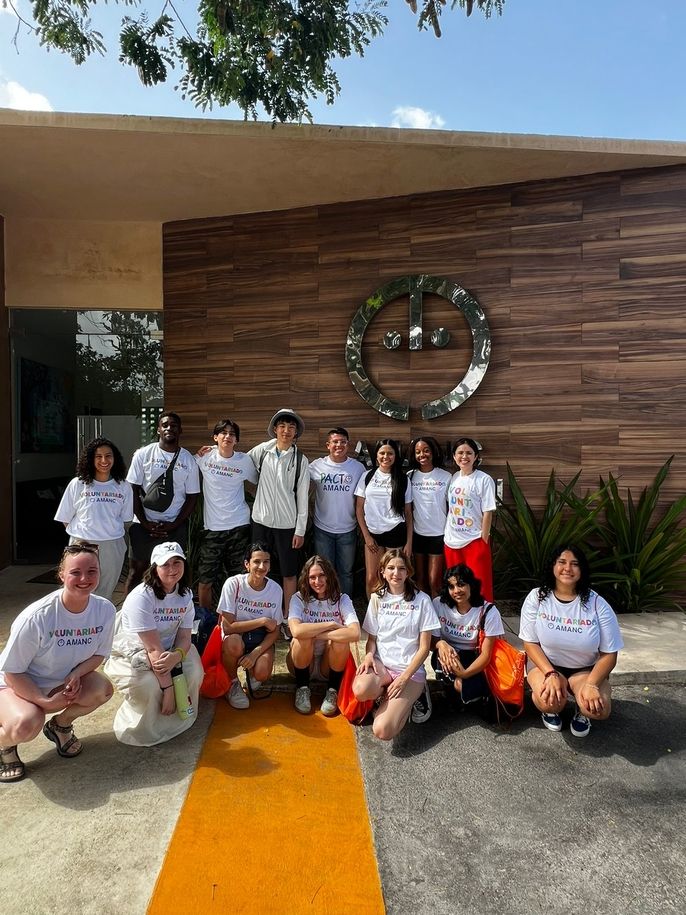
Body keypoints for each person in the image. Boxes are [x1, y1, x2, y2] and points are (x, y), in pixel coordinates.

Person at [0, 543, 115, 783]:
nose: (84, 578)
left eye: (92, 571)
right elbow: (12, 672)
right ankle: (5, 746)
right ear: (62, 574)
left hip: (60, 682)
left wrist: (76, 673)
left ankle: (61, 726)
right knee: (26, 724)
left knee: (101, 690)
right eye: (75, 572)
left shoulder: (105, 610)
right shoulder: (38, 617)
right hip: (15, 685)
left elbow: (98, 655)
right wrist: (43, 701)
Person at [519, 544, 624, 738]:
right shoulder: (537, 597)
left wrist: (592, 685)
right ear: (553, 566)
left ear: (582, 570)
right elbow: (530, 643)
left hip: (585, 669)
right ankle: (550, 709)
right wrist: (550, 673)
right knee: (549, 700)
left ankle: (581, 711)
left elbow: (610, 653)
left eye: (574, 564)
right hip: (546, 665)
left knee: (597, 709)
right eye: (562, 562)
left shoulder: (597, 603)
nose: (567, 568)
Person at [104, 542, 203, 746]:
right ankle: (145, 727)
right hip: (135, 652)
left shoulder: (185, 595)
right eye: (165, 564)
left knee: (194, 672)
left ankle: (180, 717)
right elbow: (151, 648)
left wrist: (177, 656)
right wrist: (168, 689)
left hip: (168, 649)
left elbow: (185, 637)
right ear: (154, 568)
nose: (172, 569)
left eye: (177, 562)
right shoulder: (142, 597)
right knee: (150, 685)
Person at [352, 549, 438, 741]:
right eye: (390, 568)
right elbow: (372, 639)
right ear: (382, 571)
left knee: (382, 731)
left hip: (410, 672)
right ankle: (386, 695)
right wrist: (368, 655)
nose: (395, 573)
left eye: (401, 568)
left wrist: (404, 679)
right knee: (360, 689)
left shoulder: (422, 600)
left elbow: (424, 648)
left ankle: (414, 695)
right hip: (382, 666)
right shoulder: (377, 598)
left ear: (408, 572)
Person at [414, 563, 505, 724]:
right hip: (449, 654)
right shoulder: (438, 604)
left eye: (461, 584)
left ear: (472, 585)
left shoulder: (488, 611)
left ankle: (482, 696)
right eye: (451, 586)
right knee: (444, 662)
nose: (456, 591)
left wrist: (464, 674)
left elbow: (486, 654)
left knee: (460, 683)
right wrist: (441, 644)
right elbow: (430, 641)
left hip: (476, 658)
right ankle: (456, 694)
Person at [248, 408, 309, 636]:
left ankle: (287, 619)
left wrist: (300, 530)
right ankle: (257, 615)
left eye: (291, 427)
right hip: (261, 521)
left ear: (296, 433)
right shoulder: (262, 451)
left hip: (287, 525)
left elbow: (303, 498)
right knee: (257, 568)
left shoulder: (301, 460)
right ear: (275, 429)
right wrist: (213, 451)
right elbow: (238, 461)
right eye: (282, 426)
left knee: (289, 573)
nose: (286, 431)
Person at [125, 412, 200, 594]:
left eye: (173, 425)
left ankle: (170, 616)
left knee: (173, 575)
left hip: (174, 527)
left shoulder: (188, 460)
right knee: (137, 572)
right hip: (142, 525)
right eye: (164, 425)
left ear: (180, 430)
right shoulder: (143, 455)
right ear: (158, 429)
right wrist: (144, 522)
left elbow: (192, 497)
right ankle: (127, 618)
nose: (169, 428)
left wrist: (174, 524)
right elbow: (131, 490)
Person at [54, 436, 134, 602]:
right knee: (76, 589)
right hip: (82, 544)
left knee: (105, 592)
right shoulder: (78, 484)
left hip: (112, 545)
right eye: (98, 456)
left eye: (108, 456)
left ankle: (99, 626)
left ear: (115, 458)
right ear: (90, 459)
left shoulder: (123, 486)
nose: (104, 460)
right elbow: (65, 518)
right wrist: (83, 536)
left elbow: (125, 518)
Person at [195, 418, 258, 610]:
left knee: (238, 579)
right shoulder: (204, 457)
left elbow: (257, 482)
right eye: (223, 432)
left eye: (232, 434)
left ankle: (235, 618)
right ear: (215, 437)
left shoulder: (244, 461)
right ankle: (206, 621)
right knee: (205, 581)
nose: (227, 436)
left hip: (239, 526)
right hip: (213, 529)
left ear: (236, 440)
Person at [287, 555, 361, 716]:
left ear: (329, 575)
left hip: (327, 665)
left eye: (321, 575)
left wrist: (317, 634)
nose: (317, 581)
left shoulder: (342, 599)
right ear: (306, 579)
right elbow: (296, 631)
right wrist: (331, 625)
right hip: (302, 662)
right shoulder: (298, 598)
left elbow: (355, 633)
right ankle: (302, 688)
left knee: (341, 641)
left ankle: (332, 690)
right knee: (302, 638)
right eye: (312, 577)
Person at [216, 543, 283, 710]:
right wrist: (261, 621)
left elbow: (275, 631)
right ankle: (232, 683)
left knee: (262, 672)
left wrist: (255, 654)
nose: (262, 567)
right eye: (257, 562)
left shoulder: (275, 589)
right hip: (237, 635)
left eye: (266, 562)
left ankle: (252, 674)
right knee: (233, 644)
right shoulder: (233, 584)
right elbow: (228, 626)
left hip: (261, 637)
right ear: (247, 564)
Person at [309, 427, 365, 598]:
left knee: (346, 572)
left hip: (347, 529)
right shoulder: (316, 466)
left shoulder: (358, 468)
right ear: (328, 445)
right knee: (324, 571)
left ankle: (344, 605)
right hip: (322, 529)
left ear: (348, 444)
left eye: (343, 442)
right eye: (335, 442)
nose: (339, 445)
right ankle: (325, 605)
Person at [355, 439, 413, 598]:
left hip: (396, 532)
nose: (385, 456)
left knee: (395, 578)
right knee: (372, 577)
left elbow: (408, 513)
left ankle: (393, 611)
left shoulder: (403, 479)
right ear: (376, 456)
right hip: (373, 533)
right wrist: (366, 536)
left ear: (395, 456)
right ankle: (372, 616)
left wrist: (409, 542)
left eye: (390, 453)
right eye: (382, 453)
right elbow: (359, 508)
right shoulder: (367, 476)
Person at [444, 437, 496, 602]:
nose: (464, 456)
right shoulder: (453, 478)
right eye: (460, 453)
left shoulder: (483, 479)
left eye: (468, 453)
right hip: (452, 542)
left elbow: (488, 511)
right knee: (456, 587)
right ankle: (461, 623)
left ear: (476, 456)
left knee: (480, 585)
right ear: (454, 456)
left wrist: (483, 539)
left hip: (474, 541)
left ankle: (483, 624)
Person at [408, 436, 451, 599]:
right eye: (418, 452)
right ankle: (424, 615)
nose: (422, 455)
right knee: (419, 580)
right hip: (418, 534)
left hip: (439, 534)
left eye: (426, 450)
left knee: (435, 581)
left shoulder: (445, 477)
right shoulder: (410, 476)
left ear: (433, 452)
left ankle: (439, 618)